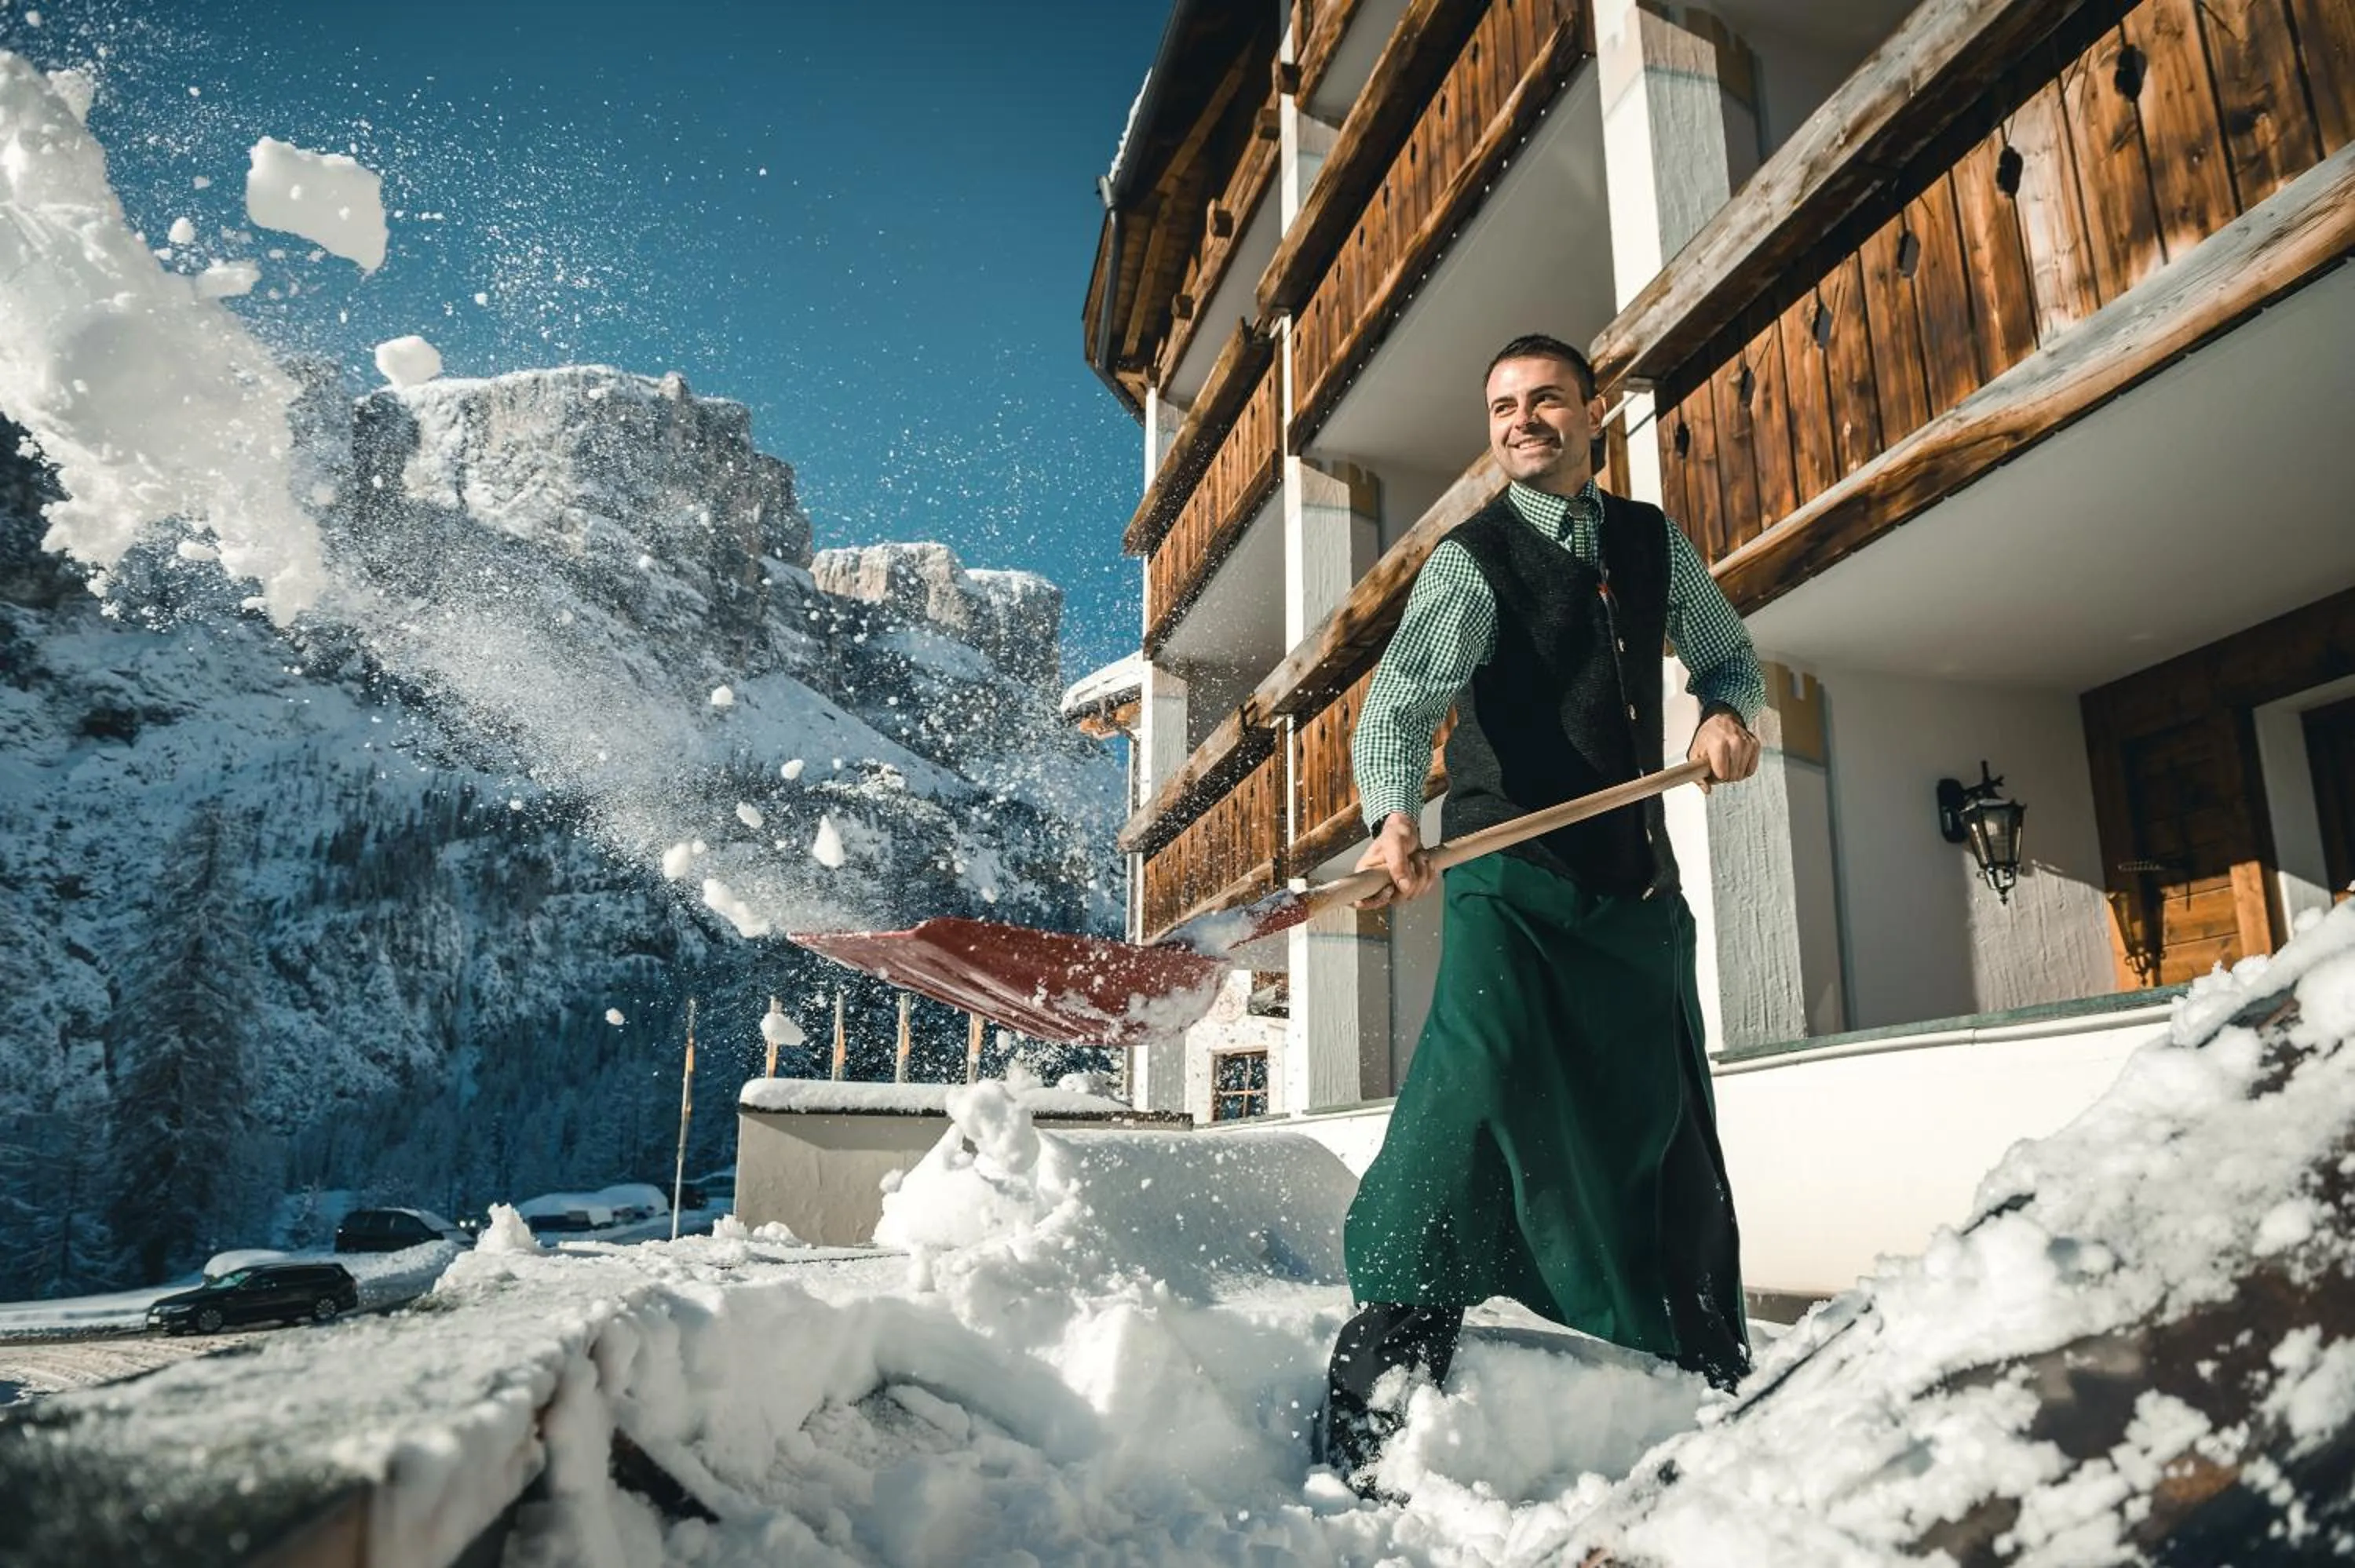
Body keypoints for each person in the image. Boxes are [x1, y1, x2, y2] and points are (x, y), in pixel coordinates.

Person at [1319, 332, 1764, 1494]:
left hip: (1634, 892)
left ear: (1591, 412)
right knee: (1470, 1087)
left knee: (1664, 1118)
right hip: (1510, 884)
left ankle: (1708, 1368)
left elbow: (1727, 656)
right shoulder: (1474, 560)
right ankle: (1383, 1369)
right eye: (1504, 405)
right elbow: (1401, 701)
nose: (1523, 420)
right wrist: (1392, 816)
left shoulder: (1651, 543)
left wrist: (1727, 715)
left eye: (1547, 399)